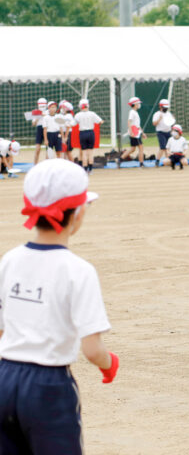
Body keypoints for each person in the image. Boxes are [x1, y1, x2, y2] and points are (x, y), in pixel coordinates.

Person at [0, 159, 119, 454]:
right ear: (77, 213)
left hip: (4, 378)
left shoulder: (9, 260)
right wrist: (109, 365)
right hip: (48, 387)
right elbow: (92, 350)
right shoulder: (78, 270)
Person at [74, 99, 103, 174]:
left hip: (82, 133)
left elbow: (73, 124)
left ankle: (85, 169)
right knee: (90, 152)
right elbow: (100, 121)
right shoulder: (92, 114)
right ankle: (90, 169)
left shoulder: (78, 115)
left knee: (84, 152)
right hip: (91, 133)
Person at [121, 96, 145, 166]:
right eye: (138, 103)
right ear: (134, 104)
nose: (139, 105)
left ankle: (120, 160)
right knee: (141, 147)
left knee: (133, 148)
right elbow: (129, 121)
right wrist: (131, 131)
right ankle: (141, 163)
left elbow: (137, 124)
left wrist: (142, 133)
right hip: (134, 133)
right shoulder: (132, 112)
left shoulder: (135, 112)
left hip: (136, 132)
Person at [152, 99, 173, 167]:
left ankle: (168, 161)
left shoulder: (169, 114)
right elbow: (154, 123)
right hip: (161, 132)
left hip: (168, 132)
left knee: (168, 148)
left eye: (166, 107)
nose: (165, 109)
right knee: (163, 148)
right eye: (164, 107)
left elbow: (171, 123)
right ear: (160, 107)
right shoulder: (157, 114)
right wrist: (159, 119)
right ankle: (157, 161)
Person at [32, 98, 47, 164]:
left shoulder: (48, 112)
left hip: (47, 129)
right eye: (41, 106)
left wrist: (44, 115)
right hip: (39, 128)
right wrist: (38, 117)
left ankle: (47, 164)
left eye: (43, 106)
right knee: (37, 149)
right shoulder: (36, 112)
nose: (42, 108)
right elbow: (33, 124)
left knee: (48, 148)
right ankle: (35, 164)